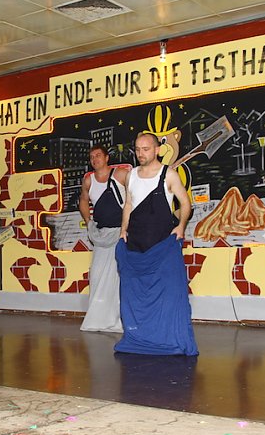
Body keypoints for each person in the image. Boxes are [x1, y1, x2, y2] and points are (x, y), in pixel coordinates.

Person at [114, 133, 198, 356]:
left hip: (163, 245)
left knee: (169, 295)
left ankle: (169, 339)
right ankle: (140, 338)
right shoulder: (131, 175)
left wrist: (181, 226)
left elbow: (185, 202)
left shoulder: (168, 174)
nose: (141, 153)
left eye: (146, 149)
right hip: (136, 245)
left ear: (158, 150)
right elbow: (129, 205)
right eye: (138, 149)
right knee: (135, 295)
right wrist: (124, 230)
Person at [78, 145, 129, 333]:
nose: (95, 159)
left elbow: (134, 198)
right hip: (101, 235)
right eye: (92, 157)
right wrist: (88, 221)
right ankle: (96, 320)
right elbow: (83, 200)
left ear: (107, 158)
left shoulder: (121, 175)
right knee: (97, 275)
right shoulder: (88, 180)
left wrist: (128, 225)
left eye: (98, 155)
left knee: (119, 277)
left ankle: (117, 321)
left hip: (121, 234)